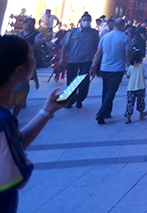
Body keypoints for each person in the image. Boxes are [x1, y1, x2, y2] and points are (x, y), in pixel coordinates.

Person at [0, 36, 67, 212]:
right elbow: (19, 176)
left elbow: (13, 143)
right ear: (20, 70)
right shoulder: (4, 121)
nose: (35, 59)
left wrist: (47, 110)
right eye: (31, 55)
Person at [91, 18, 132, 124]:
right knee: (111, 92)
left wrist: (93, 66)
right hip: (117, 69)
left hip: (105, 68)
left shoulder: (105, 37)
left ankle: (107, 112)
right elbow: (127, 54)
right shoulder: (125, 38)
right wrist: (129, 67)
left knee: (105, 90)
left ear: (114, 25)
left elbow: (98, 53)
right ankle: (101, 113)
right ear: (123, 25)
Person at [59, 12, 99, 109]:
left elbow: (97, 47)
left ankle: (79, 99)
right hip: (73, 59)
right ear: (80, 21)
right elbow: (64, 46)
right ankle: (69, 101)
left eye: (88, 21)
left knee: (84, 82)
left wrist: (96, 62)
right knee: (71, 82)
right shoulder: (72, 32)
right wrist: (61, 58)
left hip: (86, 60)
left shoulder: (94, 33)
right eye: (84, 20)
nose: (86, 22)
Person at [124, 50, 147, 124]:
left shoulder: (131, 66)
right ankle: (141, 113)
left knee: (130, 102)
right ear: (141, 58)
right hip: (141, 86)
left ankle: (128, 117)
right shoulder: (144, 65)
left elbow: (128, 75)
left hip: (131, 87)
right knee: (141, 101)